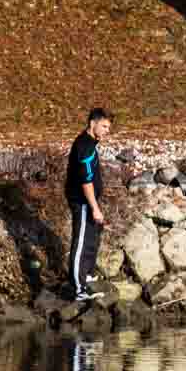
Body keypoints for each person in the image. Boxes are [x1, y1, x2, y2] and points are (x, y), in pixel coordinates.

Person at [65, 108, 113, 301]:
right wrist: (94, 208)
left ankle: (88, 275)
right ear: (92, 123)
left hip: (89, 201)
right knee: (81, 241)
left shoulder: (92, 143)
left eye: (109, 128)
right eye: (104, 126)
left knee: (93, 237)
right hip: (82, 201)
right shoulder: (84, 146)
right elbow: (86, 182)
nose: (107, 131)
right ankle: (79, 289)